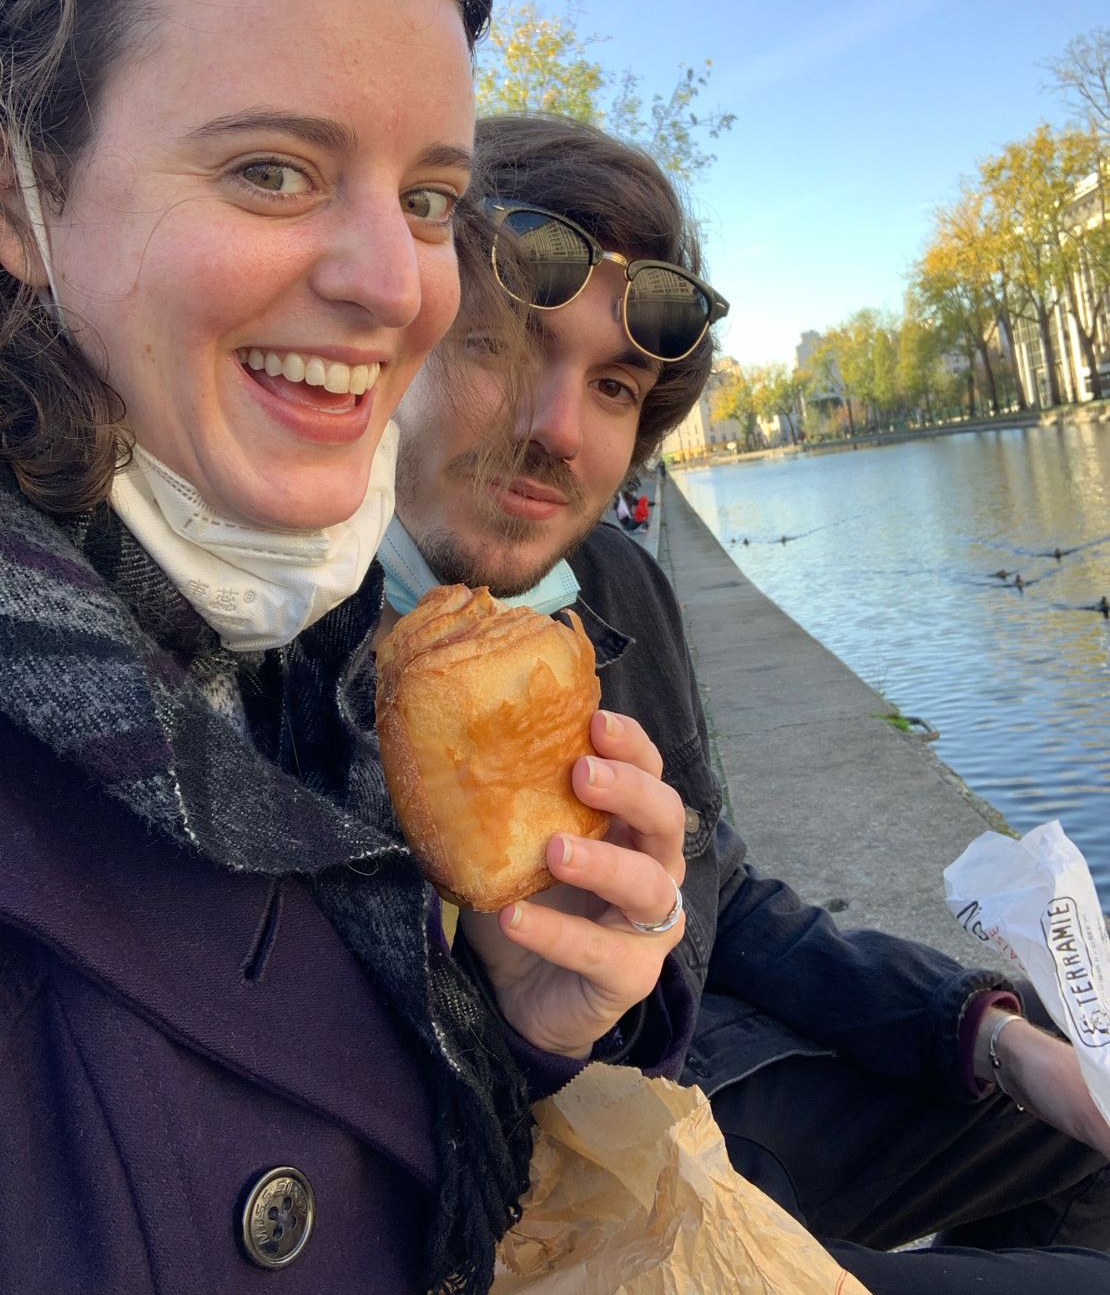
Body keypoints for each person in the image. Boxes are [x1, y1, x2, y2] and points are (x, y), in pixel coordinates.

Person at [0, 0, 694, 1292]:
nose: (398, 285)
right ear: (18, 195)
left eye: (430, 199)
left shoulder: (297, 654)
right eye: (270, 168)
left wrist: (515, 1018)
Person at [382, 111, 1110, 1293]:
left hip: (715, 1099)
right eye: (501, 343)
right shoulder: (287, 647)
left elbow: (727, 890)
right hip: (538, 1207)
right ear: (399, 335)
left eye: (615, 385)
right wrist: (523, 1035)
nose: (556, 427)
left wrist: (987, 1035)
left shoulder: (616, 588)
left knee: (1077, 1083)